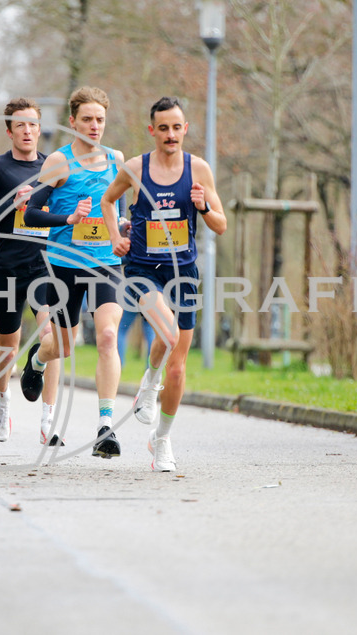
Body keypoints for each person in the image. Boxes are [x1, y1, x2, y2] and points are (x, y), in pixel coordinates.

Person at [101, 96, 227, 472]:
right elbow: (108, 201)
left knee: (177, 366)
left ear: (185, 129)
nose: (171, 135)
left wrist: (203, 206)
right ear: (151, 130)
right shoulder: (136, 168)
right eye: (164, 128)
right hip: (142, 268)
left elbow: (220, 224)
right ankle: (150, 385)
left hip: (184, 270)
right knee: (169, 336)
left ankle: (162, 439)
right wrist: (114, 238)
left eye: (177, 127)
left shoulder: (199, 169)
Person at [20, 86, 126, 458]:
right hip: (64, 265)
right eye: (87, 119)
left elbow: (118, 207)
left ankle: (105, 426)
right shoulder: (58, 163)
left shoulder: (116, 159)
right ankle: (36, 359)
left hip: (106, 263)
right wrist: (69, 217)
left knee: (108, 336)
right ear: (72, 122)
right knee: (63, 346)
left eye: (99, 119)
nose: (94, 126)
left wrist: (123, 227)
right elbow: (31, 214)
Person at [0, 97, 64, 445]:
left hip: (45, 265)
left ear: (40, 129)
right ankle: (4, 405)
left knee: (54, 336)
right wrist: (11, 203)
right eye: (20, 125)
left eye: (33, 125)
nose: (27, 131)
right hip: (7, 267)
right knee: (7, 345)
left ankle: (48, 420)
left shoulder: (54, 169)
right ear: (9, 131)